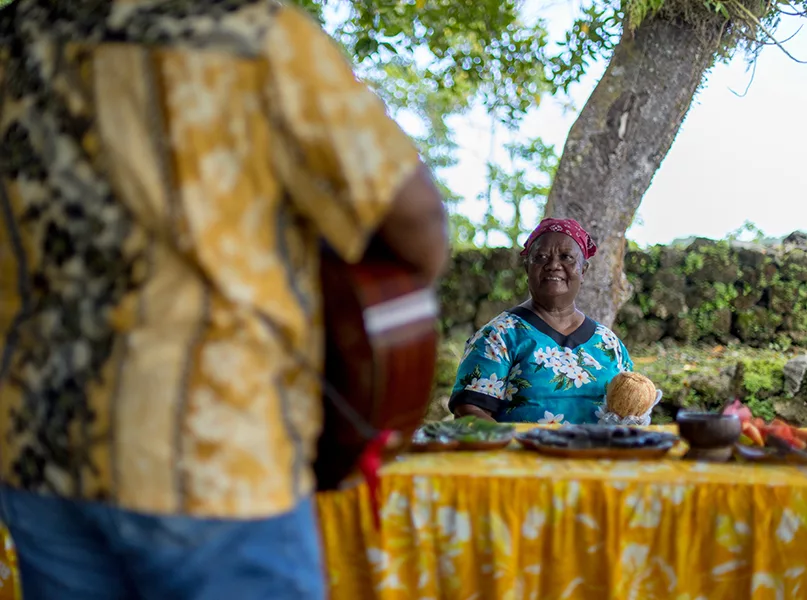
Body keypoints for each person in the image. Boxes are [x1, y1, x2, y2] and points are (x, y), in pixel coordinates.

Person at [0, 1, 448, 599]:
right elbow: (415, 221)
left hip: (39, 446)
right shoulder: (251, 34)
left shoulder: (15, 37)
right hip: (211, 453)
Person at [449, 218, 632, 424]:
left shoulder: (607, 342)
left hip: (598, 454)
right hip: (522, 454)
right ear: (527, 268)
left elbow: (631, 401)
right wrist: (517, 448)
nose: (553, 265)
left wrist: (634, 418)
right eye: (541, 257)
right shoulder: (499, 335)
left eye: (566, 257)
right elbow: (469, 410)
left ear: (583, 270)